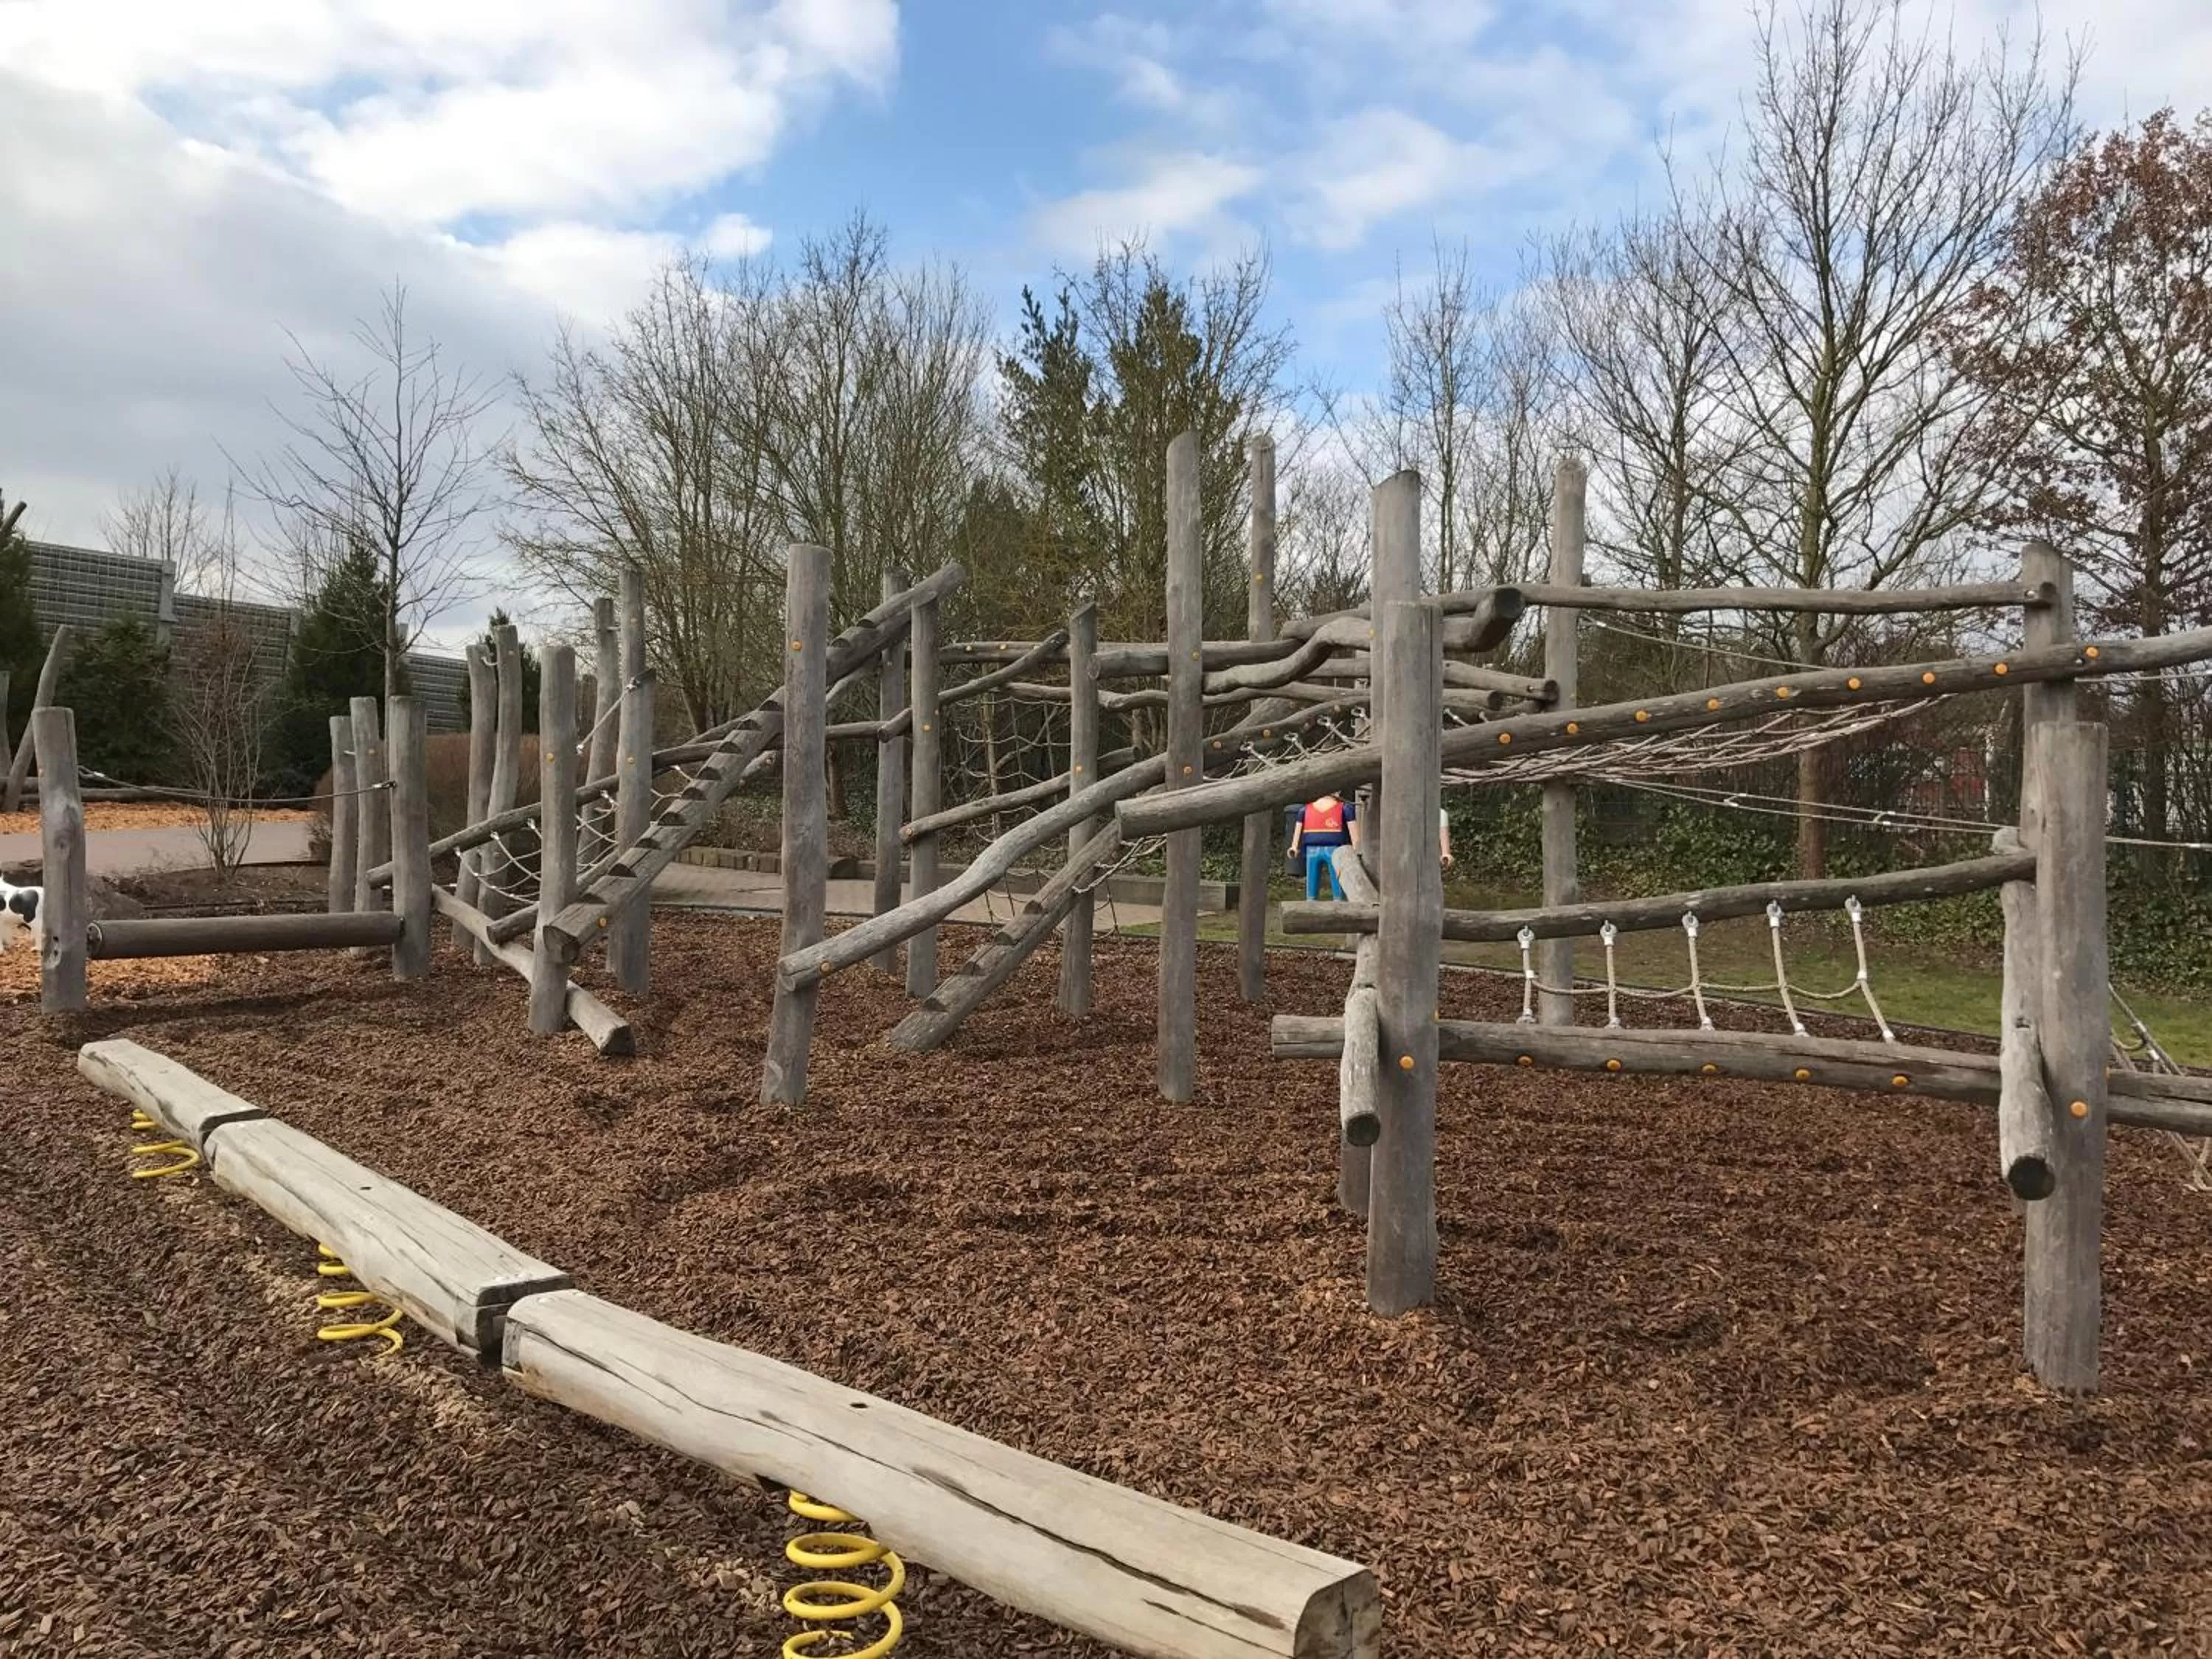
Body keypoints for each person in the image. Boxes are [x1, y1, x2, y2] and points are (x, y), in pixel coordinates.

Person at [1289, 793, 1357, 900]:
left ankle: (1332, 899)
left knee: (1335, 877)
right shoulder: (1306, 809)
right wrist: (1294, 847)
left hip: (1328, 849)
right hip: (1328, 849)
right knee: (1315, 877)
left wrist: (1294, 846)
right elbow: (1353, 830)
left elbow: (1298, 829)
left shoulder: (1306, 809)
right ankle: (1321, 899)